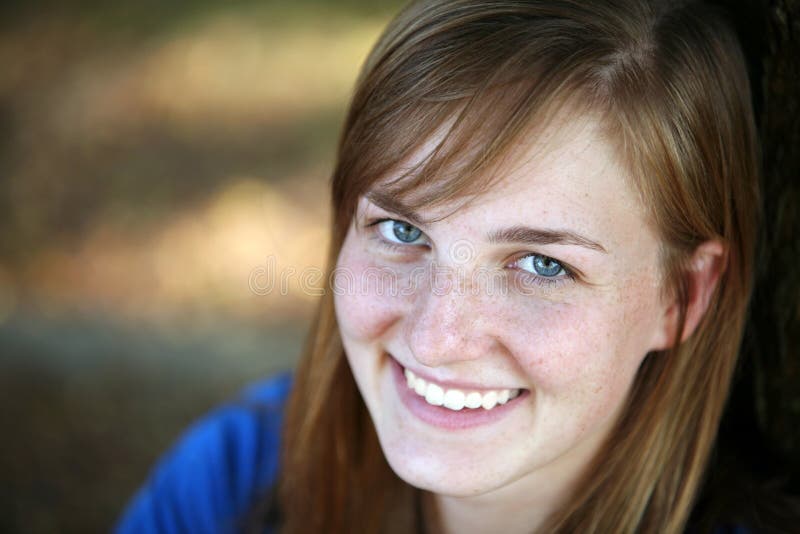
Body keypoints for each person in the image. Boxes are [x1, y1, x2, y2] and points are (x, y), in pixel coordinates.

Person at [116, 0, 762, 532]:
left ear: (681, 295)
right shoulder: (236, 479)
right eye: (402, 230)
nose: (436, 338)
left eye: (540, 264)